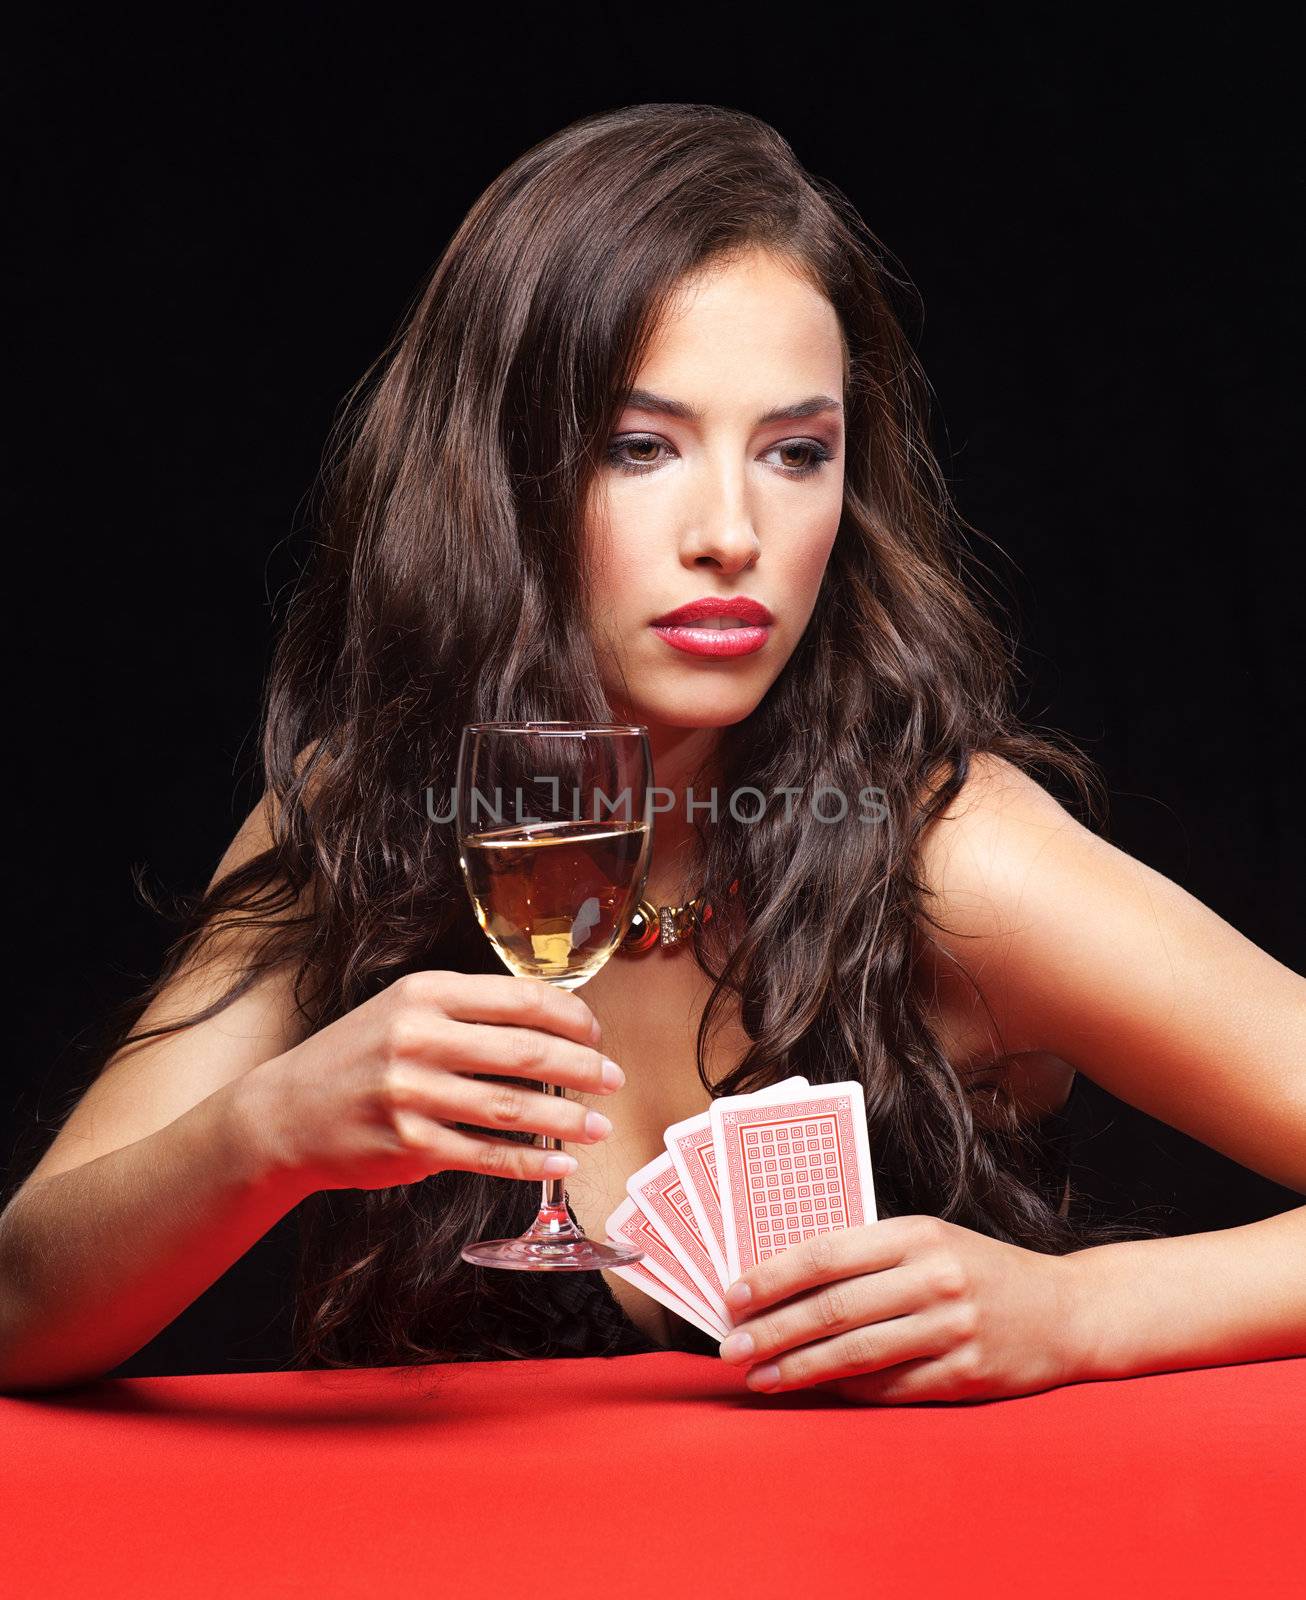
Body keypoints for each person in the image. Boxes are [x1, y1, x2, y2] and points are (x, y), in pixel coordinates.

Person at [2, 103, 1303, 1399]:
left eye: (795, 453)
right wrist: (267, 1133)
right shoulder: (368, 817)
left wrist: (1084, 1310)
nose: (731, 530)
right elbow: (20, 1309)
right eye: (640, 447)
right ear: (500, 473)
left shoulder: (952, 862)